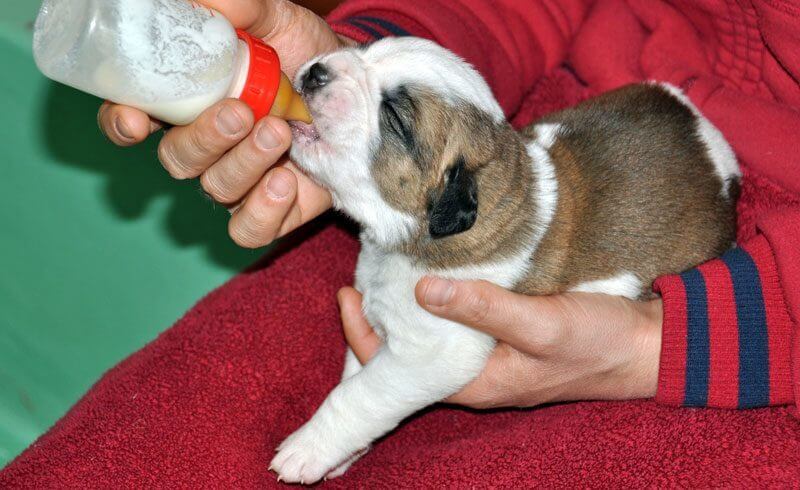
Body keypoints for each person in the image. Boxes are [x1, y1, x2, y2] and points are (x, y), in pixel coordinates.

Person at [3, 0, 797, 486]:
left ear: (447, 210)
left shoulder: (475, 235)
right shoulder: (436, 199)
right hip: (594, 84)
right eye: (364, 66)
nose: (330, 76)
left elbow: (441, 356)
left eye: (391, 113)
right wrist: (375, 34)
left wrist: (339, 423)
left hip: (741, 298)